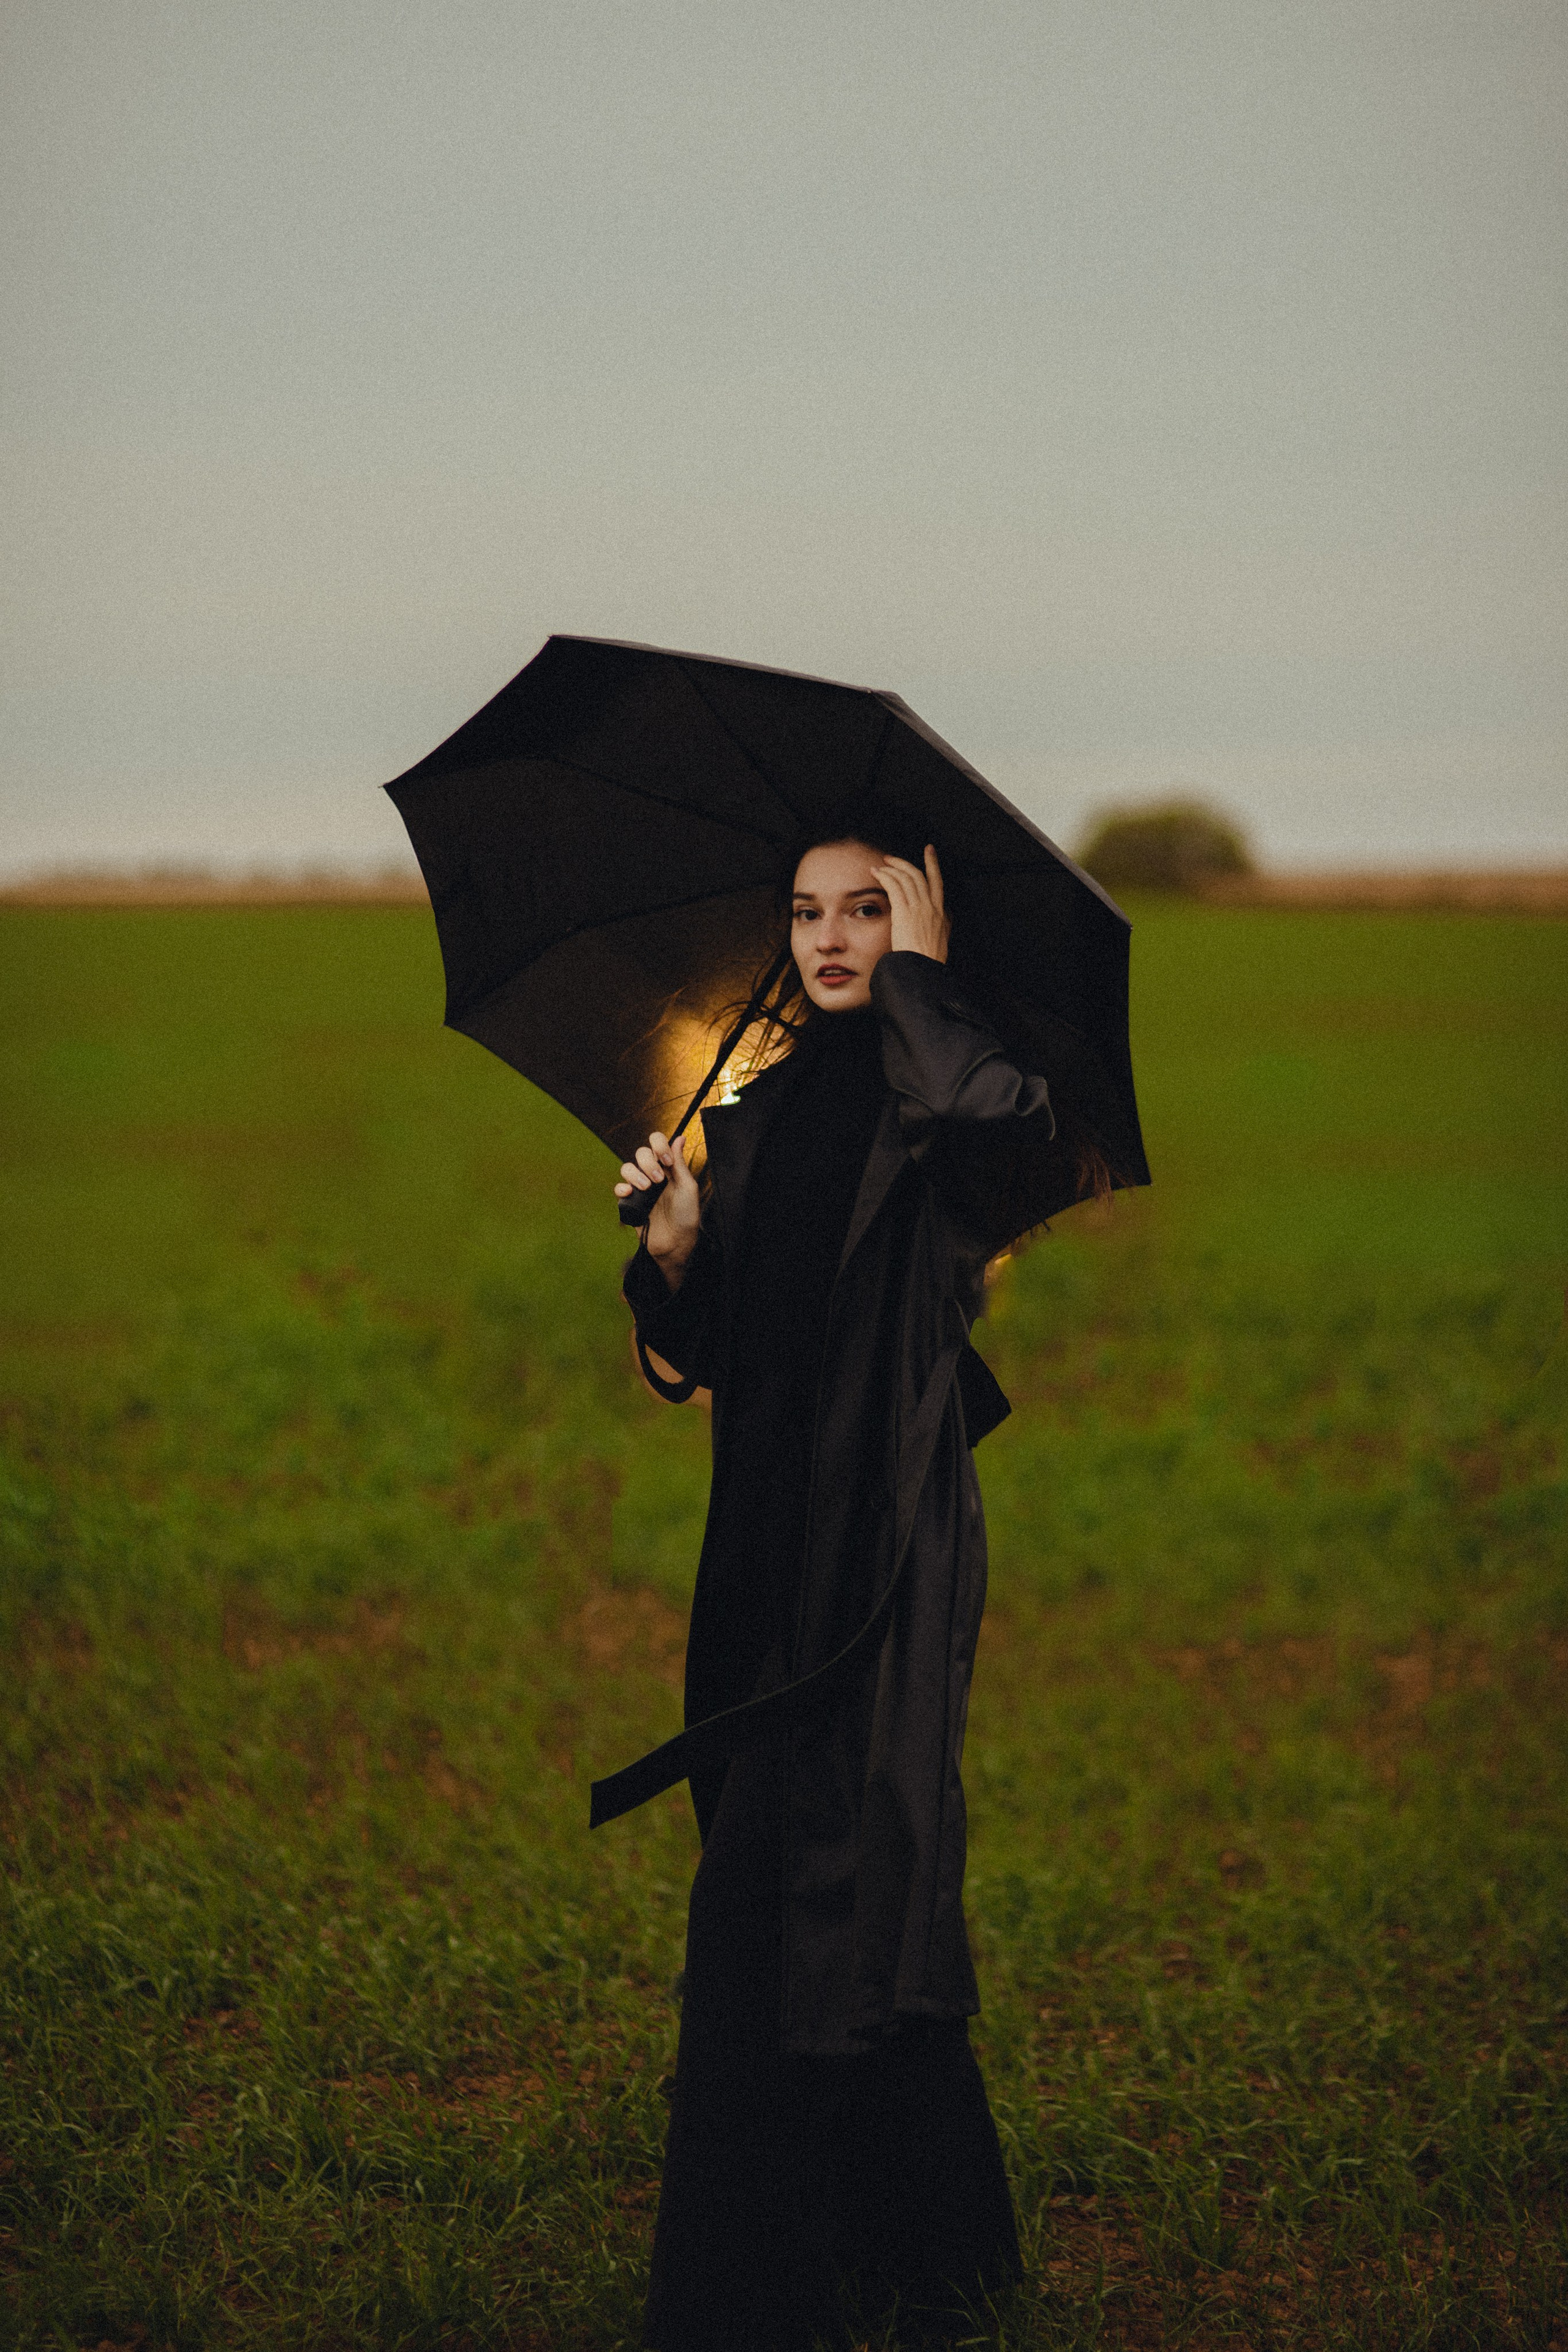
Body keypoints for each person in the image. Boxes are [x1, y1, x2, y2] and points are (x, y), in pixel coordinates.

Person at [611, 811, 1056, 2350]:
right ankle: (934, 2251)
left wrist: (931, 993)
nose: (828, 939)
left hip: (884, 1544)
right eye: (806, 911)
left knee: (827, 1873)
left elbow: (1010, 1156)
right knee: (791, 1850)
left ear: (919, 930)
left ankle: (742, 2299)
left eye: (868, 911)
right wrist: (674, 1260)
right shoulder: (768, 1108)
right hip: (758, 1543)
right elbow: (728, 1351)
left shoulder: (957, 1101)